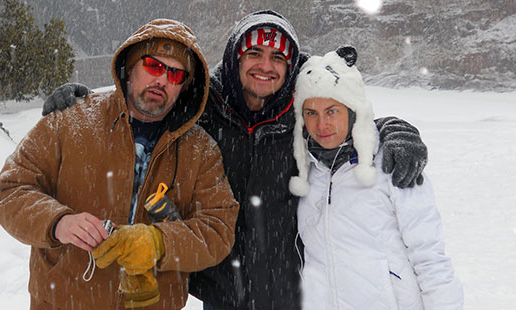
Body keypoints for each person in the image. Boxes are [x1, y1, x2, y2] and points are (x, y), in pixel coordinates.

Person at [43, 10, 429, 310]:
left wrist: (395, 129)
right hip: (220, 286)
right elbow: (151, 98)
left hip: (290, 286)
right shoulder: (204, 105)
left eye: (278, 56)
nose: (266, 65)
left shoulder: (302, 107)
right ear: (235, 56)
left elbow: (343, 121)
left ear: (291, 64)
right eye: (254, 53)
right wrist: (88, 100)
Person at [0, 18, 239, 310]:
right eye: (153, 66)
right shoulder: (70, 121)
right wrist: (59, 222)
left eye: (176, 75)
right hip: (63, 302)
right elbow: (9, 191)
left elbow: (219, 230)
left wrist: (159, 242)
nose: (162, 80)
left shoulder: (201, 150)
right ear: (130, 67)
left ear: (184, 87)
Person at [290, 46, 464, 309]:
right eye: (311, 113)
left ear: (352, 110)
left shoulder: (392, 161)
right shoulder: (305, 169)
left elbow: (430, 258)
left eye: (332, 111)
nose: (321, 125)